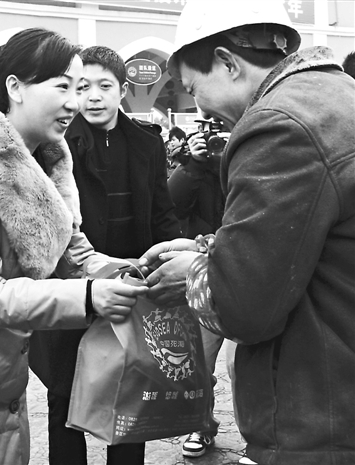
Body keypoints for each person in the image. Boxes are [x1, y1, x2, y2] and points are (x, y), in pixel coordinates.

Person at [139, 1, 355, 464]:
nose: (199, 106)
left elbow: (242, 309)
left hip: (320, 418)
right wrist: (213, 248)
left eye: (194, 88)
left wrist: (195, 273)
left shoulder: (279, 126)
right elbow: (312, 241)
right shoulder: (338, 96)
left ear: (227, 63)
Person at [0, 28, 147, 465]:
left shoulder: (48, 160)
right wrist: (89, 296)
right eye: (63, 87)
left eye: (79, 89)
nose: (75, 103)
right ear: (15, 87)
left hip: (1, 377)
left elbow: (75, 255)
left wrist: (137, 270)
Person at [28, 45, 182, 465]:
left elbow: (162, 212)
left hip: (132, 286)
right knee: (63, 391)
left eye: (104, 86)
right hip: (72, 283)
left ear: (123, 90)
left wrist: (172, 258)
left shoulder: (148, 143)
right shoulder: (55, 144)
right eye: (82, 87)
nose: (93, 96)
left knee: (131, 387)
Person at [167, 124, 225, 457]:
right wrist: (193, 164)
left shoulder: (257, 151)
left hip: (251, 265)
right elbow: (173, 204)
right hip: (206, 271)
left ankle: (261, 439)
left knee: (251, 363)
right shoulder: (195, 167)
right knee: (200, 361)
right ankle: (201, 425)